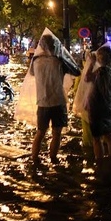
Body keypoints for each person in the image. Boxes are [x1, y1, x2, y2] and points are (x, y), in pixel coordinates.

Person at [30, 34, 81, 164]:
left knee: (40, 133)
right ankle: (53, 158)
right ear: (55, 45)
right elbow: (77, 71)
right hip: (58, 101)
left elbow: (31, 73)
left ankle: (35, 159)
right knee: (57, 133)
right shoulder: (59, 60)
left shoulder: (35, 60)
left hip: (42, 102)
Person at [83, 44, 111, 163]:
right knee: (110, 137)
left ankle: (99, 165)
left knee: (96, 139)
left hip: (97, 108)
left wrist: (92, 63)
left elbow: (87, 78)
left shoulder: (101, 71)